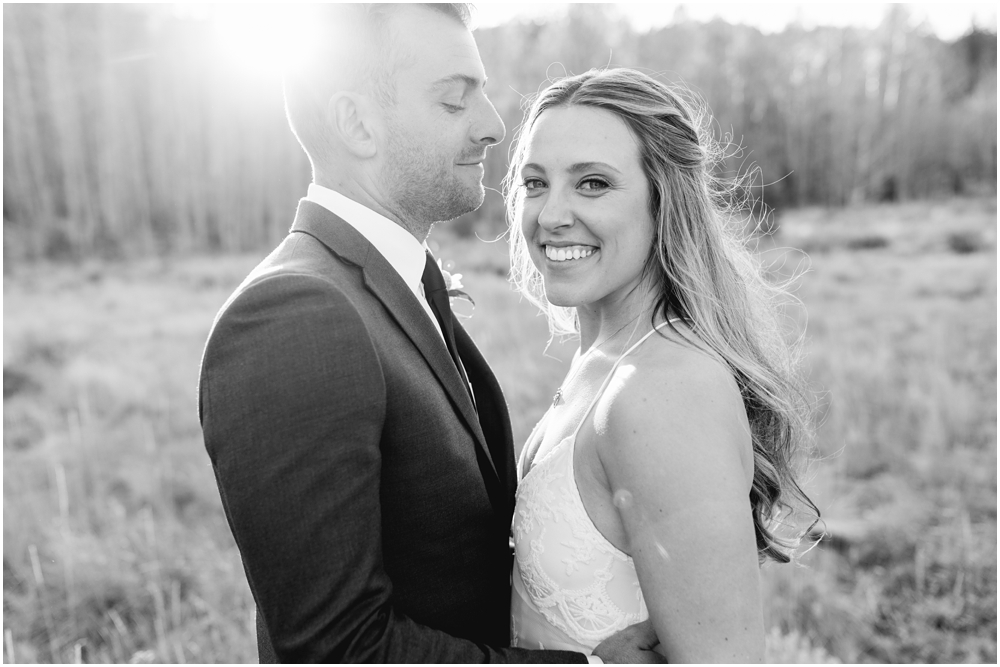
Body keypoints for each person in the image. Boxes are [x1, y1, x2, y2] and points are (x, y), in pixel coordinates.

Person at [199, 6, 660, 663]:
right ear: (357, 123)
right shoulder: (296, 316)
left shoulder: (387, 285)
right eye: (455, 100)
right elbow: (335, 649)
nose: (493, 126)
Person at [503, 68, 819, 662]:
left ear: (664, 199)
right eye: (535, 183)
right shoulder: (602, 359)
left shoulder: (666, 389)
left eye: (592, 184)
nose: (550, 215)